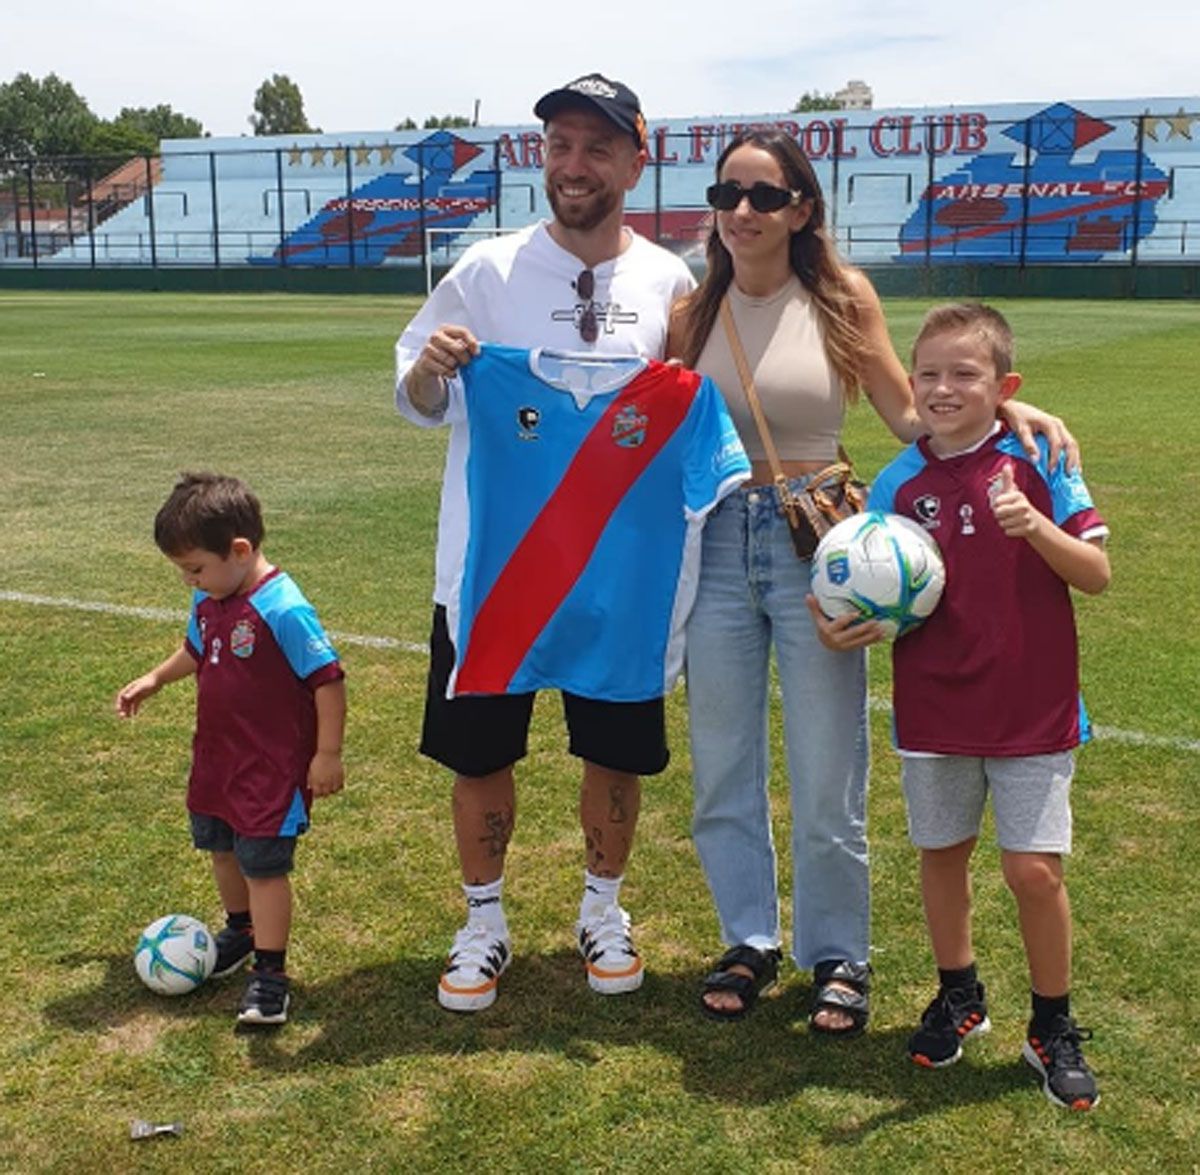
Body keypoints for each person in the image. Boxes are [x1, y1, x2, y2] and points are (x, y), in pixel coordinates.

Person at [668, 130, 1078, 1034]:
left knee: (827, 767)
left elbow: (908, 411)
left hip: (819, 544)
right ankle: (748, 935)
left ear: (802, 209)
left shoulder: (839, 295)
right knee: (722, 761)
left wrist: (1006, 407)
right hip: (717, 544)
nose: (742, 212)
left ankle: (836, 952)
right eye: (728, 193)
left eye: (764, 196)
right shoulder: (693, 310)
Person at [394, 74, 697, 1013]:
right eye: (559, 145)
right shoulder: (484, 271)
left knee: (615, 755)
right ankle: (484, 920)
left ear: (635, 161)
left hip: (623, 576)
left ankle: (602, 907)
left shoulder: (671, 283)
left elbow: (706, 399)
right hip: (494, 573)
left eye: (597, 147)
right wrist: (435, 371)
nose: (574, 165)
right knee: (480, 756)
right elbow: (413, 393)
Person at [853, 303, 1108, 1109]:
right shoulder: (898, 482)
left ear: (1006, 387)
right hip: (935, 705)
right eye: (927, 372)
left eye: (964, 373)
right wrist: (845, 617)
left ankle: (1052, 1023)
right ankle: (960, 996)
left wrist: (1033, 525)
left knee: (1031, 868)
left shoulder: (1039, 454)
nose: (941, 387)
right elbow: (874, 587)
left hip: (1030, 703)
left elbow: (1096, 575)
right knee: (942, 855)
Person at [115, 472, 346, 1027]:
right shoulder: (211, 596)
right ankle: (240, 931)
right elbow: (196, 649)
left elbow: (328, 681)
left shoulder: (283, 608)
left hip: (269, 770)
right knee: (222, 850)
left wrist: (328, 754)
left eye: (195, 568)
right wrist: (154, 678)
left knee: (264, 868)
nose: (190, 582)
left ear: (240, 551)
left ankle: (270, 975)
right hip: (218, 760)